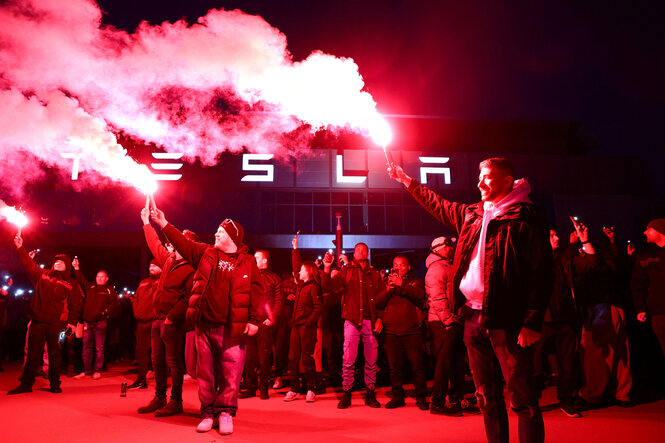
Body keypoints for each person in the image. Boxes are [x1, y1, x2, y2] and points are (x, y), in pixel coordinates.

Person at [389, 158, 552, 443]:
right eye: (479, 176)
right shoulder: (472, 215)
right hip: (472, 319)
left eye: (488, 177)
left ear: (507, 181)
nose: (480, 182)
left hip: (508, 321)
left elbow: (541, 272)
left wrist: (532, 322)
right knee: (486, 397)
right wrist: (407, 181)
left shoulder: (526, 217)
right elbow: (438, 204)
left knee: (522, 399)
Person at [150, 207, 260, 435]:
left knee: (230, 374)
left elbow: (257, 291)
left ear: (233, 236)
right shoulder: (205, 253)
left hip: (233, 328)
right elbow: (182, 243)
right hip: (205, 326)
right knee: (206, 374)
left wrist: (254, 320)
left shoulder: (248, 261)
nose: (216, 234)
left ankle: (226, 413)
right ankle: (208, 413)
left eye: (221, 231)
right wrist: (164, 224)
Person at [138, 207, 196, 417]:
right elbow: (154, 244)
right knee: (158, 361)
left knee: (173, 363)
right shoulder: (169, 260)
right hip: (158, 319)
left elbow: (188, 297)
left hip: (172, 322)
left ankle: (176, 401)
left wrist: (172, 317)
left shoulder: (191, 268)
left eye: (179, 239)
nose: (173, 242)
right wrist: (146, 222)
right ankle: (160, 397)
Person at [8, 233, 81, 394]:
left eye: (61, 263)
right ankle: (26, 384)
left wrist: (71, 325)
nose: (58, 264)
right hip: (38, 320)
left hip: (57, 324)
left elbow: (75, 306)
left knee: (55, 355)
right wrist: (20, 248)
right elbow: (28, 264)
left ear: (67, 266)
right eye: (56, 262)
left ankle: (55, 384)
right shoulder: (43, 275)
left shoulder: (72, 283)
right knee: (33, 354)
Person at [321, 243, 385, 409]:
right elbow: (328, 287)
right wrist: (327, 268)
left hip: (370, 321)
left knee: (371, 360)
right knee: (348, 359)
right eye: (357, 250)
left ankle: (370, 392)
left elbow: (381, 300)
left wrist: (380, 318)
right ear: (354, 254)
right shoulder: (347, 271)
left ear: (367, 252)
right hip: (351, 320)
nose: (360, 251)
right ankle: (346, 392)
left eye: (363, 249)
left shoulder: (375, 274)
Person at [533, 229, 581, 417]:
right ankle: (533, 400)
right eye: (552, 235)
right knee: (536, 364)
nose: (557, 237)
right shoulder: (534, 261)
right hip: (542, 320)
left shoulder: (563, 259)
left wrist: (577, 243)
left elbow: (580, 263)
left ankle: (566, 400)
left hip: (565, 318)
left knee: (567, 363)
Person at [426, 236, 471, 416]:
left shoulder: (445, 265)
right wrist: (448, 321)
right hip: (442, 322)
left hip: (450, 320)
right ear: (438, 248)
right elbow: (436, 296)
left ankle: (455, 400)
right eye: (448, 245)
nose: (451, 247)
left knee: (455, 362)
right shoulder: (437, 268)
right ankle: (437, 402)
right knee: (445, 363)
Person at [376, 255, 428, 410]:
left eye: (402, 265)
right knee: (394, 368)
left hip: (412, 331)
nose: (398, 267)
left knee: (417, 367)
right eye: (395, 265)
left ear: (408, 267)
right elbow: (378, 302)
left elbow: (420, 296)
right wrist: (388, 290)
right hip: (391, 331)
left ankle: (421, 397)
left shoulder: (415, 281)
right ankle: (398, 396)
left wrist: (402, 284)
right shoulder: (387, 282)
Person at [283, 236, 323, 402]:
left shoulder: (314, 287)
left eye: (302, 270)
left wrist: (308, 324)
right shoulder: (300, 285)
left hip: (306, 328)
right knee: (292, 358)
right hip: (295, 326)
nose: (299, 271)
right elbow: (295, 266)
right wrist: (295, 249)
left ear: (309, 271)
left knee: (307, 358)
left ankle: (310, 389)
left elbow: (318, 308)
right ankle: (294, 389)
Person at [240, 249, 283, 399]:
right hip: (251, 321)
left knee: (264, 357)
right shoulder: (250, 277)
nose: (254, 260)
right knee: (249, 357)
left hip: (264, 322)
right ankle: (250, 387)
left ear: (265, 260)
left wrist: (272, 318)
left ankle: (263, 388)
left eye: (257, 258)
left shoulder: (274, 278)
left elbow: (279, 300)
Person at [73, 259, 119, 380]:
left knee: (99, 348)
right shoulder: (91, 287)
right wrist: (76, 268)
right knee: (86, 348)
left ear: (106, 278)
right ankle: (87, 371)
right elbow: (81, 280)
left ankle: (97, 370)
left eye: (102, 276)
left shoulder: (109, 290)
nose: (99, 278)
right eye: (98, 276)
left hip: (100, 323)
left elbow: (114, 304)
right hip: (88, 322)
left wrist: (105, 312)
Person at [632, 219, 665, 357]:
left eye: (649, 229)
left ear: (661, 232)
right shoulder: (646, 258)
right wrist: (640, 308)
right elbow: (637, 284)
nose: (645, 232)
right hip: (659, 313)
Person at [128, 259, 161, 390]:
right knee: (141, 352)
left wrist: (155, 313)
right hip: (142, 321)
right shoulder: (143, 283)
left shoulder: (164, 281)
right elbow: (136, 299)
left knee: (158, 353)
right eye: (150, 266)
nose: (151, 268)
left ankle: (160, 382)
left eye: (155, 266)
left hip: (155, 321)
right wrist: (137, 311)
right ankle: (141, 380)